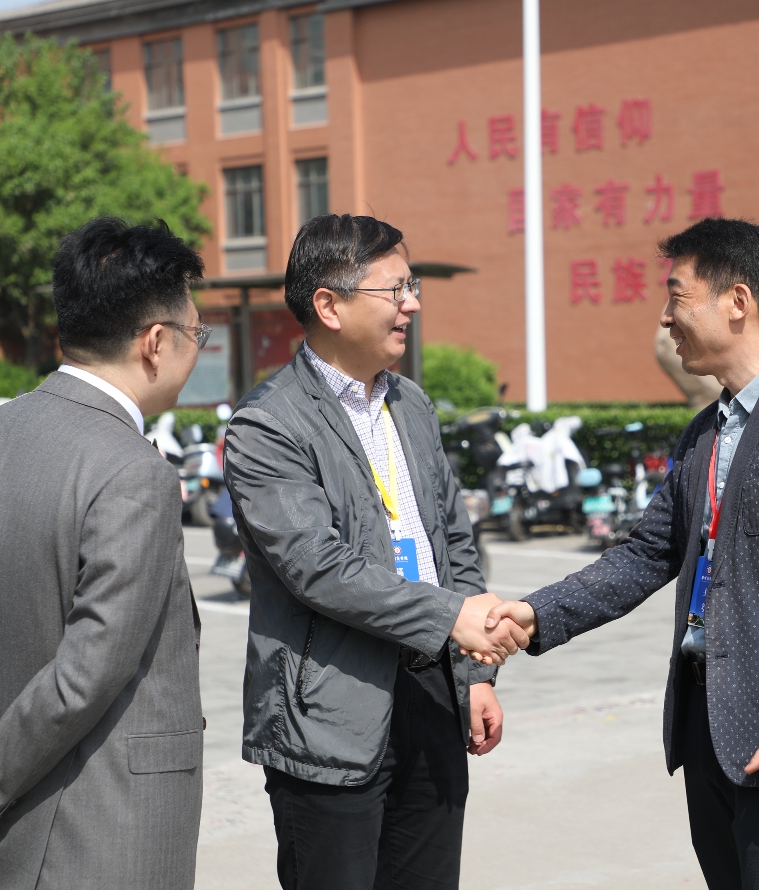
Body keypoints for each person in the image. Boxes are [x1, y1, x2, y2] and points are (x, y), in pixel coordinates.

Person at [482, 218, 759, 890]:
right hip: (710, 730)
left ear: (738, 301)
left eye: (676, 296)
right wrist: (533, 615)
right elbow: (647, 553)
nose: (665, 317)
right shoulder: (707, 430)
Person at [0, 218, 209, 890]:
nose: (195, 349)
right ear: (156, 342)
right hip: (103, 840)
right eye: (197, 334)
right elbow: (86, 674)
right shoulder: (135, 471)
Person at [222, 214, 528, 890]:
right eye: (395, 289)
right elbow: (317, 567)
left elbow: (453, 542)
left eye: (412, 286)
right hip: (329, 712)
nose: (411, 304)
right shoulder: (267, 424)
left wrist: (473, 675)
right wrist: (450, 617)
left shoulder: (410, 405)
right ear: (329, 305)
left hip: (432, 692)